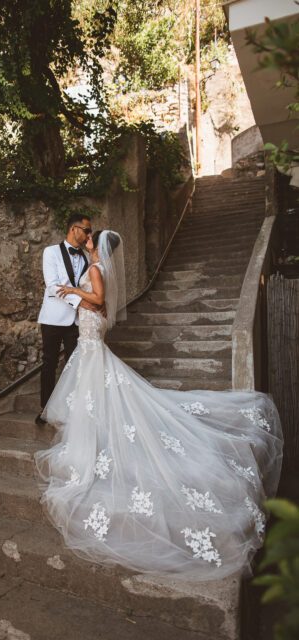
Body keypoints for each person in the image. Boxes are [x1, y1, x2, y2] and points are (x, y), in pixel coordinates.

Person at [34, 229, 283, 581]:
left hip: (91, 344)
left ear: (97, 243)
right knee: (96, 394)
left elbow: (99, 301)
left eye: (92, 237)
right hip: (90, 343)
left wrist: (75, 292)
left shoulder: (93, 271)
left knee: (97, 393)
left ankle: (93, 438)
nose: (87, 238)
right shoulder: (97, 265)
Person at [36, 213, 104, 426]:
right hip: (53, 318)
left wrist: (92, 250)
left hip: (77, 322)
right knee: (49, 363)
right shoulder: (51, 252)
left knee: (74, 365)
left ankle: (70, 409)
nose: (88, 235)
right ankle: (45, 409)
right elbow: (53, 285)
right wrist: (81, 303)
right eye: (87, 230)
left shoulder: (85, 257)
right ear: (74, 229)